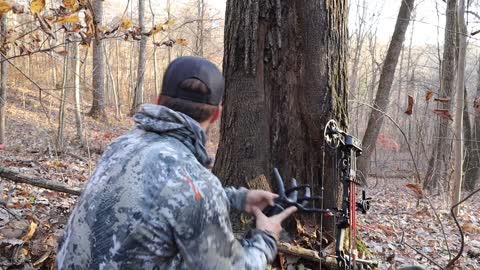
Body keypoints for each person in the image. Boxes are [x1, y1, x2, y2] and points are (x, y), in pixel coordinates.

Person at [57, 56, 297, 269]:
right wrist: (265, 238)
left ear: (159, 100)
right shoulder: (196, 183)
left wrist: (235, 198)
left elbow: (163, 196)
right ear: (216, 114)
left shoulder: (122, 145)